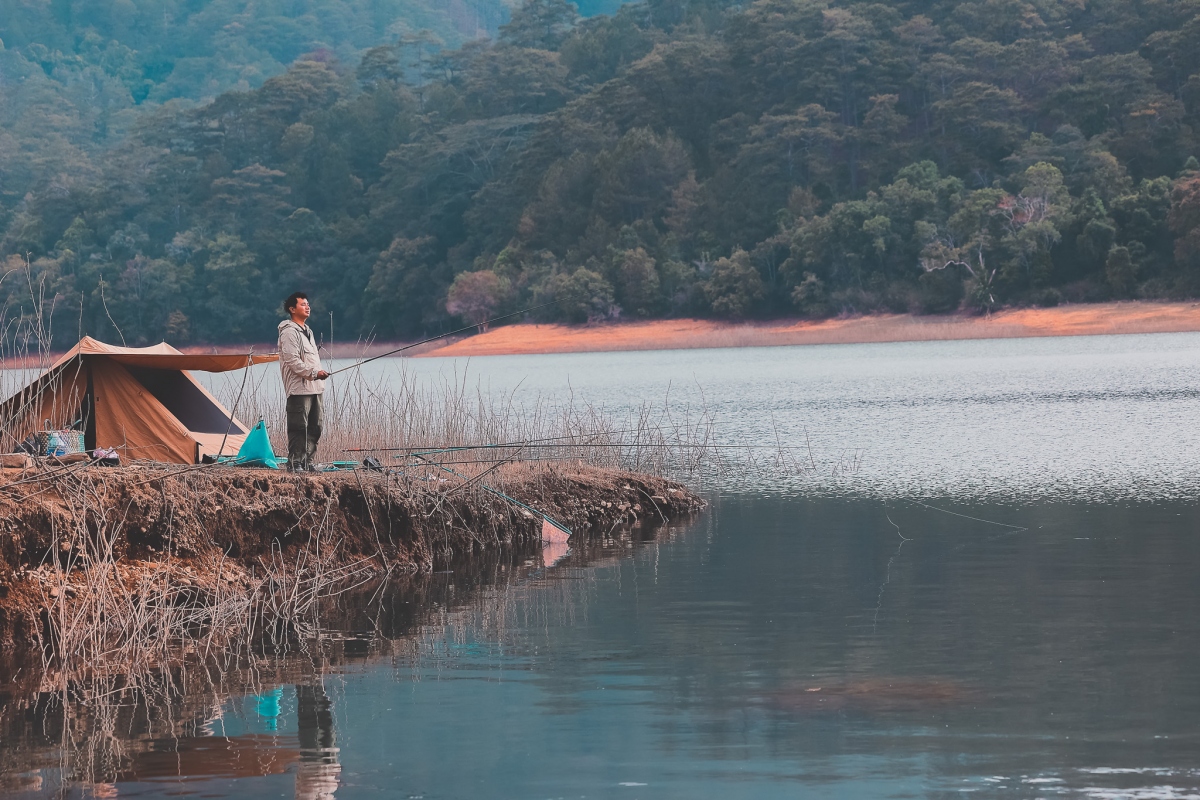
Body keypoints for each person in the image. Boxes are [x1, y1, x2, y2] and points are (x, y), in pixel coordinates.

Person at [278, 292, 330, 472]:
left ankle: (308, 462)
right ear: (292, 309)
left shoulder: (308, 331)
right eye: (303, 304)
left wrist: (318, 375)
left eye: (308, 304)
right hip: (299, 388)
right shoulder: (288, 332)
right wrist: (315, 373)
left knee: (316, 426)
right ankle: (295, 463)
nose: (307, 307)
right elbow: (292, 361)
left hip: (316, 387)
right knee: (299, 426)